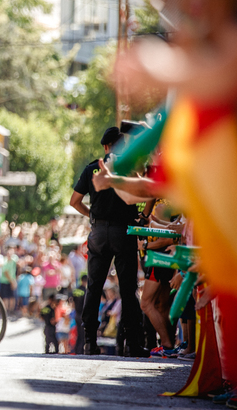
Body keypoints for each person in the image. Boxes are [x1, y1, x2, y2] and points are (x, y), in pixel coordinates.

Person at [69, 126, 148, 357]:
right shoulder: (131, 169)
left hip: (99, 233)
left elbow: (74, 201)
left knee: (94, 287)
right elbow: (145, 194)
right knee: (127, 288)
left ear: (105, 147)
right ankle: (131, 344)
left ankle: (90, 343)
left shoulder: (92, 168)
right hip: (124, 232)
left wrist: (92, 216)